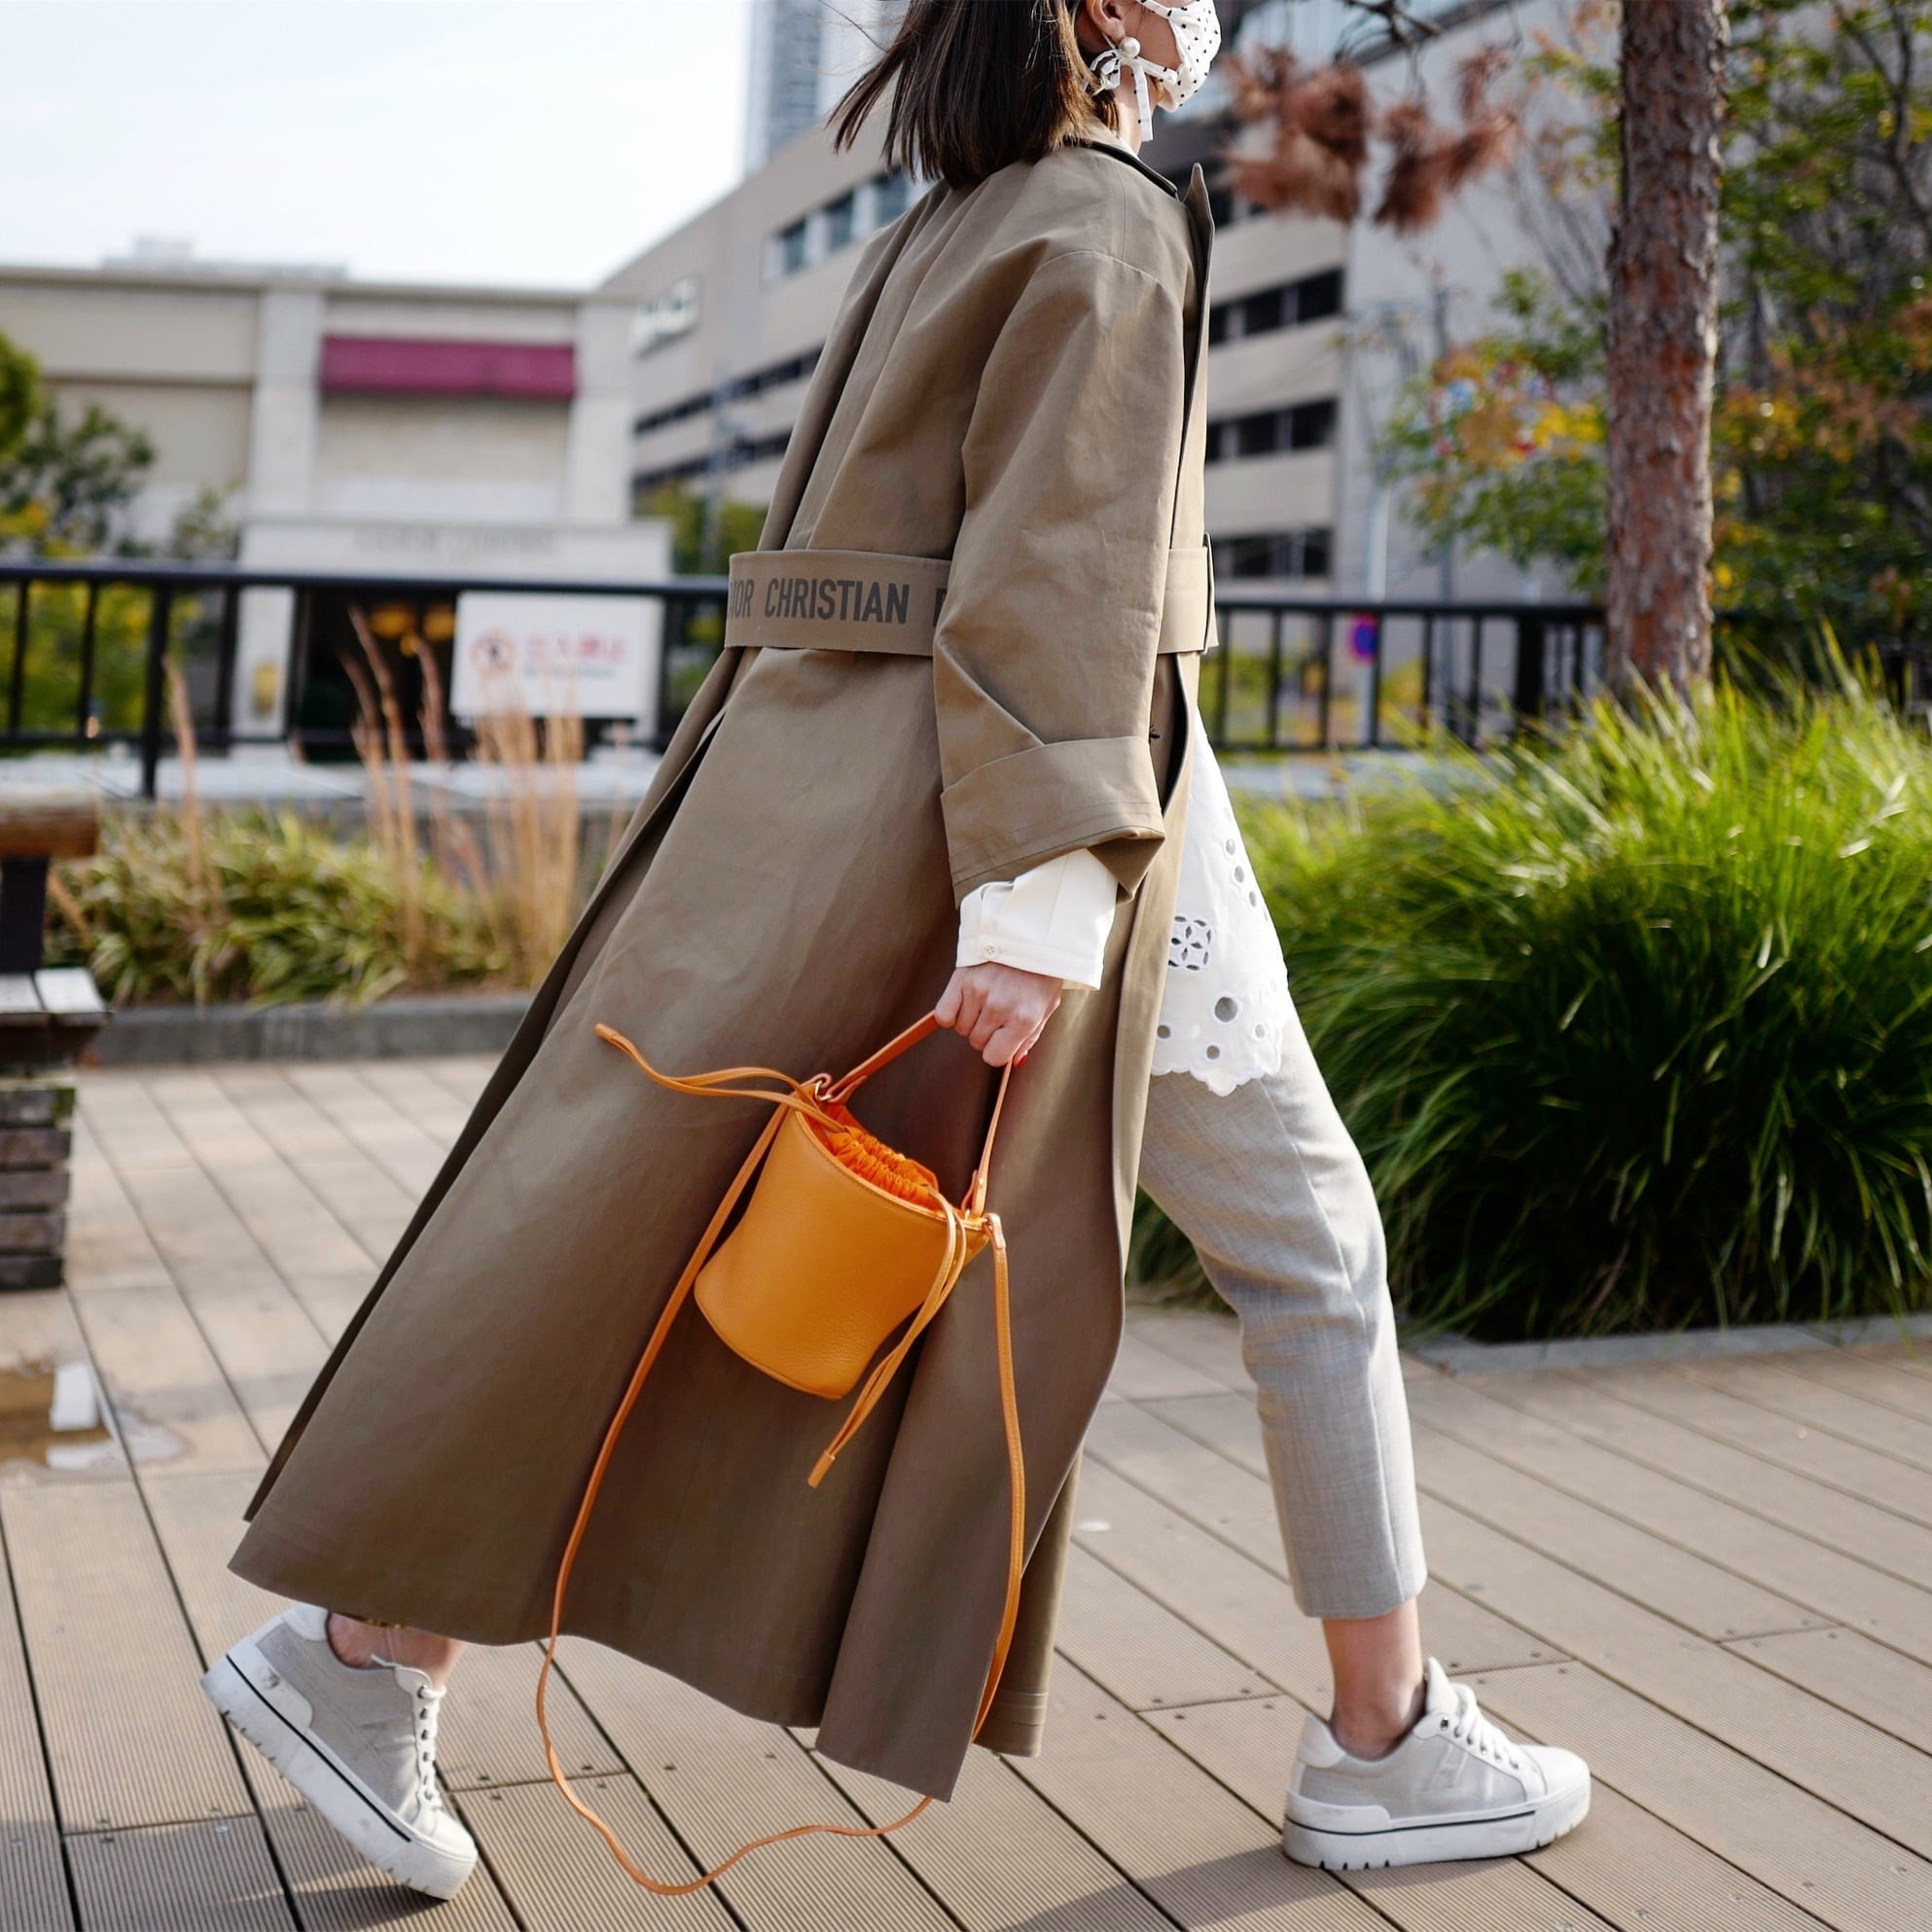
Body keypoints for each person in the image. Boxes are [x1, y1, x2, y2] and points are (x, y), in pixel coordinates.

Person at [200, 0, 1589, 1902]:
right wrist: (1035, 893)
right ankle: (1387, 1738)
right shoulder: (1096, 217)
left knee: (648, 1216)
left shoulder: (953, 213)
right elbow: (1064, 574)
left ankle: (367, 1655)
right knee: (1297, 1243)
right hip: (1026, 819)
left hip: (843, 801)